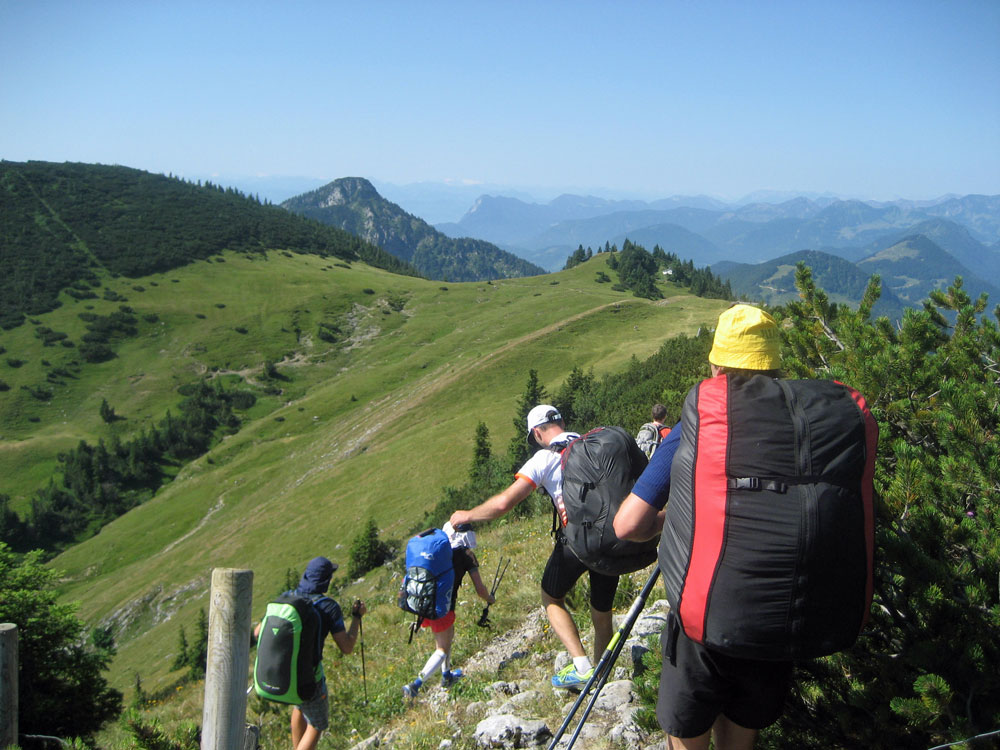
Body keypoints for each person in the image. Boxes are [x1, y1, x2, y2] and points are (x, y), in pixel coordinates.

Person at [614, 304, 789, 750]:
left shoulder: (698, 425)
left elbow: (628, 524)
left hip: (705, 612)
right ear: (775, 365)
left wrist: (675, 515)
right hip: (778, 609)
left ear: (714, 365)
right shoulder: (802, 426)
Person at [450, 405, 619, 690]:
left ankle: (582, 666)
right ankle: (602, 678)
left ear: (538, 433)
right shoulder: (594, 441)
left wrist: (466, 515)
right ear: (562, 422)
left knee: (551, 596)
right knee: (601, 611)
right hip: (612, 537)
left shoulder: (544, 457)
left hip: (577, 541)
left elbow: (504, 504)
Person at [254, 557, 367, 750]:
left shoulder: (287, 597)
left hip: (283, 675)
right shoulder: (328, 606)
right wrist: (356, 618)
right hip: (309, 678)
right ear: (326, 580)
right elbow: (347, 647)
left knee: (299, 706)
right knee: (317, 724)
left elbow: (257, 633)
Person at [402, 521, 495, 698]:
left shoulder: (438, 551)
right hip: (442, 606)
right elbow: (480, 589)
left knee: (447, 637)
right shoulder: (466, 555)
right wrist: (490, 599)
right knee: (442, 648)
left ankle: (447, 675)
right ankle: (415, 685)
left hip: (425, 602)